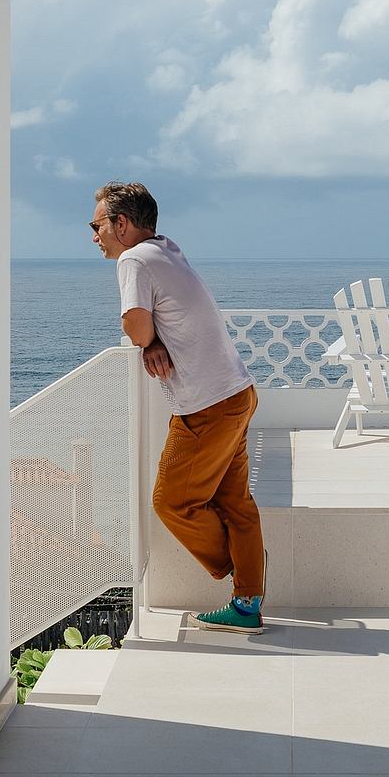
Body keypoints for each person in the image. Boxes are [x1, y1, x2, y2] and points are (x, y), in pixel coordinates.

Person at [91, 181, 268, 632]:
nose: (94, 236)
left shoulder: (133, 258)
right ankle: (247, 599)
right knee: (234, 503)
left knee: (172, 502)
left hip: (206, 405)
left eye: (97, 226)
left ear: (122, 224)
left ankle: (242, 567)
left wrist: (148, 341)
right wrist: (155, 340)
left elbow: (135, 325)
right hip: (237, 393)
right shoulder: (167, 249)